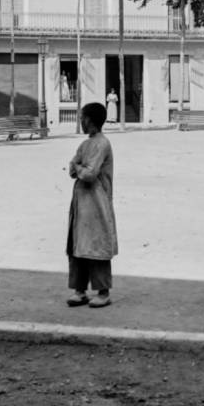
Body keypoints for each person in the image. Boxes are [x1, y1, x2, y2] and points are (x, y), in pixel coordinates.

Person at [66, 102, 116, 308]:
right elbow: (72, 168)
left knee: (96, 245)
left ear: (91, 120)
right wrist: (78, 167)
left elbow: (89, 173)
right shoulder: (85, 144)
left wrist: (78, 167)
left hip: (97, 202)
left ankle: (103, 291)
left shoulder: (102, 144)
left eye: (82, 118)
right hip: (81, 202)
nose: (81, 121)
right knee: (78, 244)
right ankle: (80, 290)